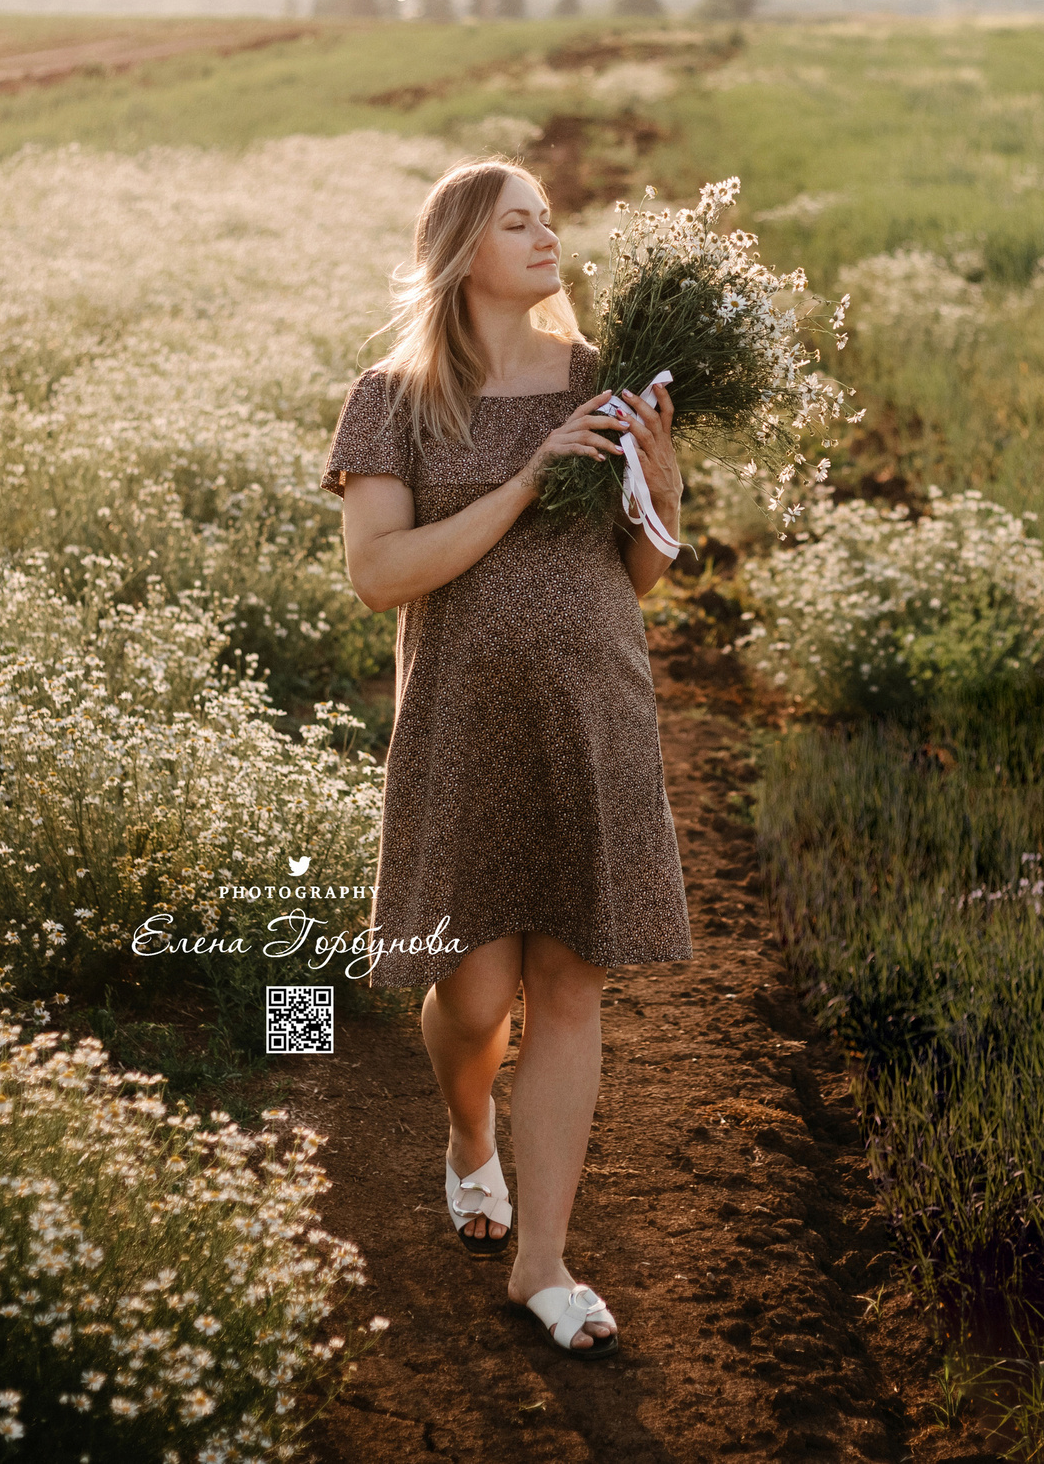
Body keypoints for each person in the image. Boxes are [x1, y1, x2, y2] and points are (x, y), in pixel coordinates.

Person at [319, 158, 688, 1359]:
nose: (547, 235)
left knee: (570, 986)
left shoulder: (598, 380)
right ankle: (468, 1134)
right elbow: (381, 576)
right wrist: (531, 479)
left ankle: (544, 1261)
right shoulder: (394, 399)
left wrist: (658, 467)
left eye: (549, 218)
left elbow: (640, 571)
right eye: (518, 220)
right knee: (472, 993)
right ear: (462, 248)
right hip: (464, 723)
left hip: (593, 706)